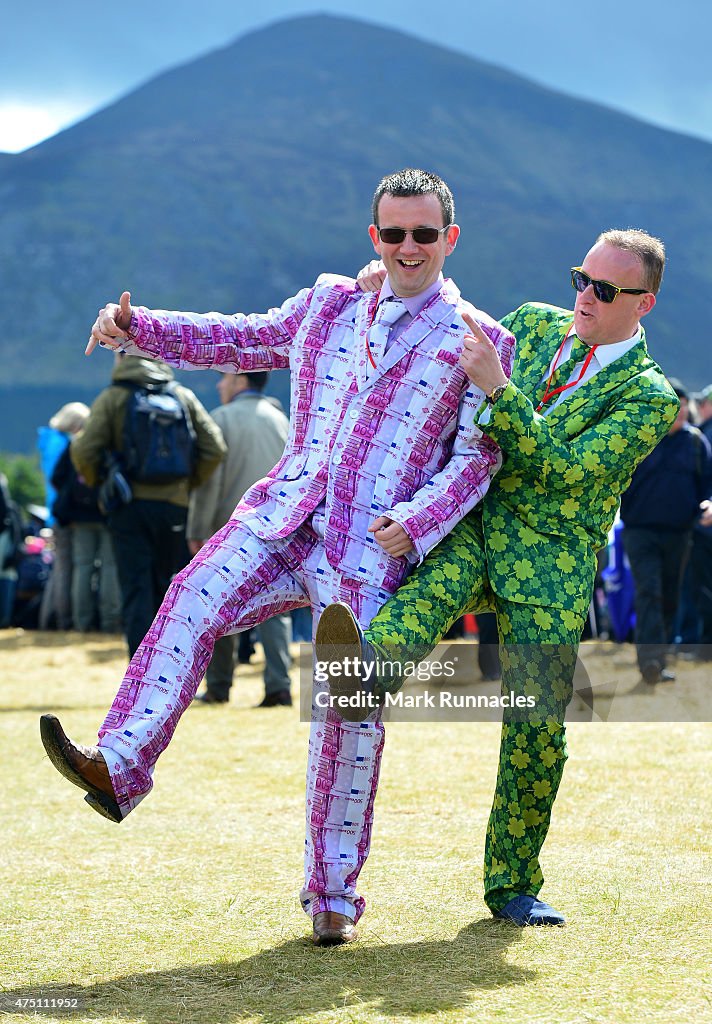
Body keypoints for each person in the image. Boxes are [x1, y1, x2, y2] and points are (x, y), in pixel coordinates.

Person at [39, 168, 514, 947]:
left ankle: (332, 898)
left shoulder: (482, 340)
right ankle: (117, 767)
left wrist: (419, 523)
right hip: (282, 518)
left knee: (346, 716)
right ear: (375, 237)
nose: (407, 248)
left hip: (369, 553)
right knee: (190, 597)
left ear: (450, 239)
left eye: (423, 234)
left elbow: (479, 456)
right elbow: (238, 336)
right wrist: (139, 327)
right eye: (393, 233)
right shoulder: (330, 301)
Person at [318, 228, 680, 927]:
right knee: (424, 599)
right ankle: (363, 675)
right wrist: (392, 280)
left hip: (551, 564)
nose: (583, 296)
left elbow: (564, 471)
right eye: (582, 277)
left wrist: (500, 391)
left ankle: (513, 885)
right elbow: (443, 326)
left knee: (536, 728)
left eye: (604, 290)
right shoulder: (533, 323)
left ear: (645, 304)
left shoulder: (650, 395)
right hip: (477, 526)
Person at [70, 353, 226, 656]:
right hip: (175, 508)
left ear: (120, 358)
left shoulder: (113, 397)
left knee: (136, 589)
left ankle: (140, 673)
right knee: (169, 590)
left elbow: (84, 450)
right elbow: (214, 448)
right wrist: (185, 485)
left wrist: (102, 484)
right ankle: (171, 667)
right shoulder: (182, 395)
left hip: (129, 508)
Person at [188, 370, 293, 707]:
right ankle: (279, 685)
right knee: (277, 608)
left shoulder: (220, 419)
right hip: (280, 529)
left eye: (225, 378)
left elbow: (209, 484)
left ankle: (219, 685)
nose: (220, 384)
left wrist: (197, 531)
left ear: (241, 381)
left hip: (229, 529)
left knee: (216, 602)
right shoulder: (283, 420)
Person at [620, 380, 712, 682]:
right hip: (639, 532)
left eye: (686, 405)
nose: (683, 410)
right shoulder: (641, 439)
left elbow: (708, 485)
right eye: (677, 404)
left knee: (671, 595)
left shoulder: (697, 443)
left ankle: (659, 660)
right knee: (649, 592)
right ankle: (648, 661)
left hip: (680, 534)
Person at [50, 407, 121, 634]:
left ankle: (82, 623)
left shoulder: (76, 444)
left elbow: (57, 478)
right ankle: (110, 623)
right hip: (108, 515)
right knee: (110, 567)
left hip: (79, 517)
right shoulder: (112, 444)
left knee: (83, 567)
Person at [37, 403, 91, 630]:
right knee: (69, 568)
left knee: (60, 568)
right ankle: (64, 620)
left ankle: (51, 619)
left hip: (55, 511)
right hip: (65, 514)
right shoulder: (65, 445)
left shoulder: (50, 441)